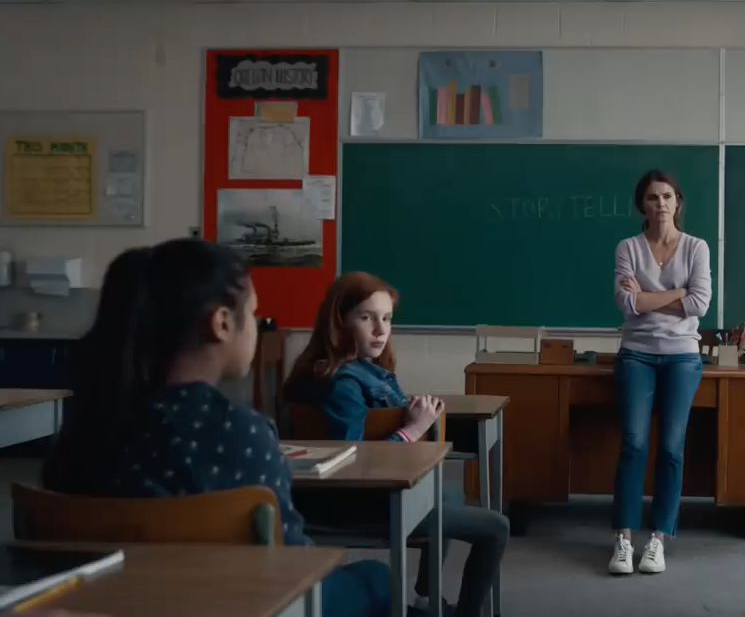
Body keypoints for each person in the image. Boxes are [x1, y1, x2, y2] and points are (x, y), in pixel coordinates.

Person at [40, 238, 401, 617]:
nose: (257, 329)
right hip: (242, 602)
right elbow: (294, 564)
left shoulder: (83, 428)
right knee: (377, 578)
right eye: (255, 315)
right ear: (222, 323)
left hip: (120, 604)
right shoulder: (242, 433)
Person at [285, 271, 508, 617]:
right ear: (339, 321)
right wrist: (413, 429)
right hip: (362, 503)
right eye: (366, 317)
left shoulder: (358, 368)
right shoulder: (343, 382)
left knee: (449, 491)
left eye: (386, 318)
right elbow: (349, 462)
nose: (380, 329)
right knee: (496, 526)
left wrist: (406, 413)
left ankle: (424, 599)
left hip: (372, 495)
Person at [609, 169, 713, 575]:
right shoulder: (628, 247)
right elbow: (626, 304)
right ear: (643, 205)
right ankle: (622, 538)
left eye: (668, 196)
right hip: (636, 354)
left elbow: (700, 304)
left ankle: (657, 539)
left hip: (683, 357)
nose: (661, 204)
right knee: (633, 444)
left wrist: (648, 297)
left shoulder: (697, 247)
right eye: (653, 198)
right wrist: (678, 294)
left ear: (678, 202)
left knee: (672, 447)